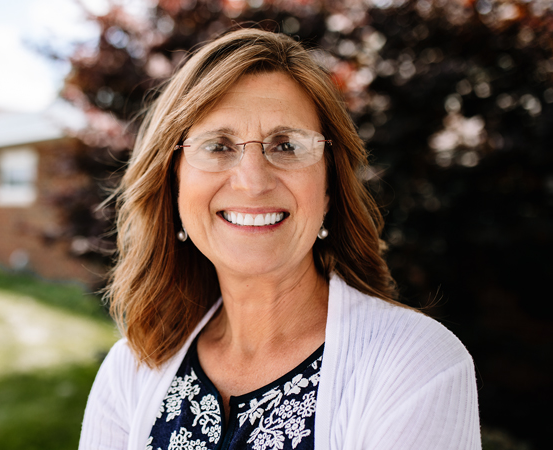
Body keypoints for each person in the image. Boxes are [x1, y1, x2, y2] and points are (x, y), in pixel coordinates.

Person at [79, 29, 480, 450]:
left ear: (328, 188)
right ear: (172, 182)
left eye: (287, 145)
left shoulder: (414, 364)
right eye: (217, 146)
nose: (253, 182)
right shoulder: (131, 371)